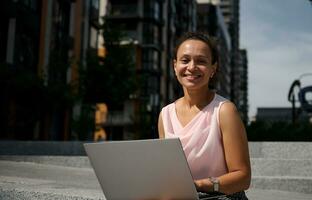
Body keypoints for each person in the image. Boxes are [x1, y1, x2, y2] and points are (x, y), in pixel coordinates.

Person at [158, 32, 251, 199]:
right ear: (175, 66)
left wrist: (199, 185)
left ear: (213, 69)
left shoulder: (224, 111)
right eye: (185, 60)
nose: (192, 67)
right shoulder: (165, 114)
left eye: (201, 61)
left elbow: (243, 177)